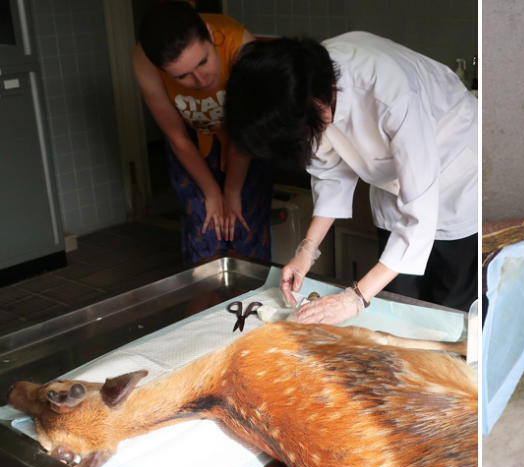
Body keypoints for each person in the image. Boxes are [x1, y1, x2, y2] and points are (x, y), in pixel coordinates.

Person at [225, 33, 478, 324]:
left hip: (455, 178)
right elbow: (330, 174)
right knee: (396, 304)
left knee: (447, 311)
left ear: (317, 106)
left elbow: (419, 216)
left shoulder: (392, 93)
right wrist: (306, 250)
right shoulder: (300, 86)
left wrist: (355, 298)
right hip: (393, 186)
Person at [134, 1, 271, 264]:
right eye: (182, 76)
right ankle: (204, 304)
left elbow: (244, 135)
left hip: (246, 137)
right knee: (204, 228)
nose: (200, 80)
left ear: (209, 34)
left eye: (203, 62)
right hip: (192, 140)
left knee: (244, 225)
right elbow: (177, 137)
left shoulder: (241, 45)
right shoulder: (144, 61)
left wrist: (231, 191)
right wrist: (211, 192)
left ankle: (252, 300)